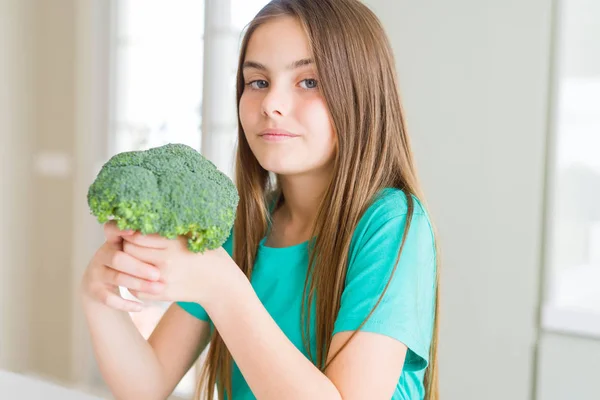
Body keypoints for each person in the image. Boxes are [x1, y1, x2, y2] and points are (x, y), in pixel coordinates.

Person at [80, 1, 440, 399]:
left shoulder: (393, 225)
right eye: (258, 82)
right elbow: (145, 386)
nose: (271, 104)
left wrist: (224, 289)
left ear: (361, 95)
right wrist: (100, 297)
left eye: (309, 81)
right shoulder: (243, 225)